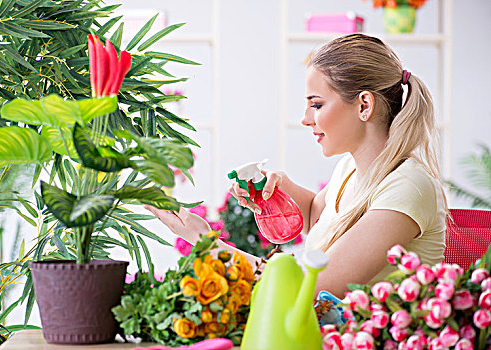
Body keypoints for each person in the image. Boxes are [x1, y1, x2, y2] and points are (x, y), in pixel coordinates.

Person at [145, 33, 447, 299]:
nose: (305, 118)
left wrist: (206, 242)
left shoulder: (407, 186)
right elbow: (321, 218)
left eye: (316, 105)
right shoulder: (350, 169)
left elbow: (309, 289)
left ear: (364, 106)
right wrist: (280, 189)